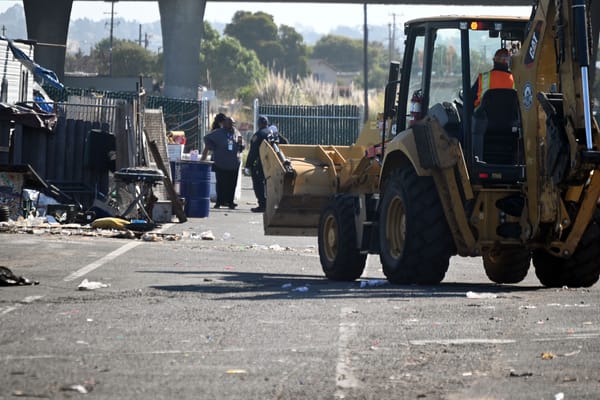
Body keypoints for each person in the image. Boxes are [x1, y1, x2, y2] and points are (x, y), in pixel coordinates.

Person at [201, 116, 244, 209]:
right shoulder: (218, 133)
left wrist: (241, 145)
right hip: (221, 163)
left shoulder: (236, 132)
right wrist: (213, 147)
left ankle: (230, 202)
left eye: (233, 123)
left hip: (234, 163)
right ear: (224, 123)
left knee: (232, 184)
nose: (231, 125)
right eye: (229, 123)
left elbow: (241, 145)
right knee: (221, 183)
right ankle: (219, 202)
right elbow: (206, 138)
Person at [245, 115, 272, 213]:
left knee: (258, 184)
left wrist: (248, 165)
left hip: (260, 164)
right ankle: (269, 204)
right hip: (272, 163)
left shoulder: (259, 134)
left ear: (259, 123)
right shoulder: (272, 133)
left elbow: (253, 151)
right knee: (270, 184)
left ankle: (262, 205)